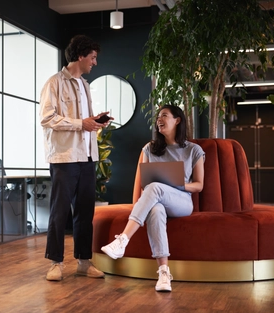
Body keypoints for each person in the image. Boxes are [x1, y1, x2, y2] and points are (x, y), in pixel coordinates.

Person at [101, 104, 205, 292]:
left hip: (182, 201)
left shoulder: (193, 150)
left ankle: (123, 239)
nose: (159, 119)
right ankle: (164, 273)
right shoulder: (149, 148)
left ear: (177, 120)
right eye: (158, 116)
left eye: (164, 115)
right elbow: (143, 184)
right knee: (155, 210)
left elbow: (199, 185)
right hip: (157, 199)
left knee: (156, 187)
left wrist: (177, 185)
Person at [39, 35, 112, 281]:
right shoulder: (54, 83)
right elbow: (47, 118)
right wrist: (81, 123)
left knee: (84, 212)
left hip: (88, 156)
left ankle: (84, 261)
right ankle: (55, 263)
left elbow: (83, 122)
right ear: (80, 55)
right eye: (92, 57)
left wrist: (95, 120)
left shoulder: (85, 85)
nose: (95, 63)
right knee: (59, 213)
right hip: (64, 157)